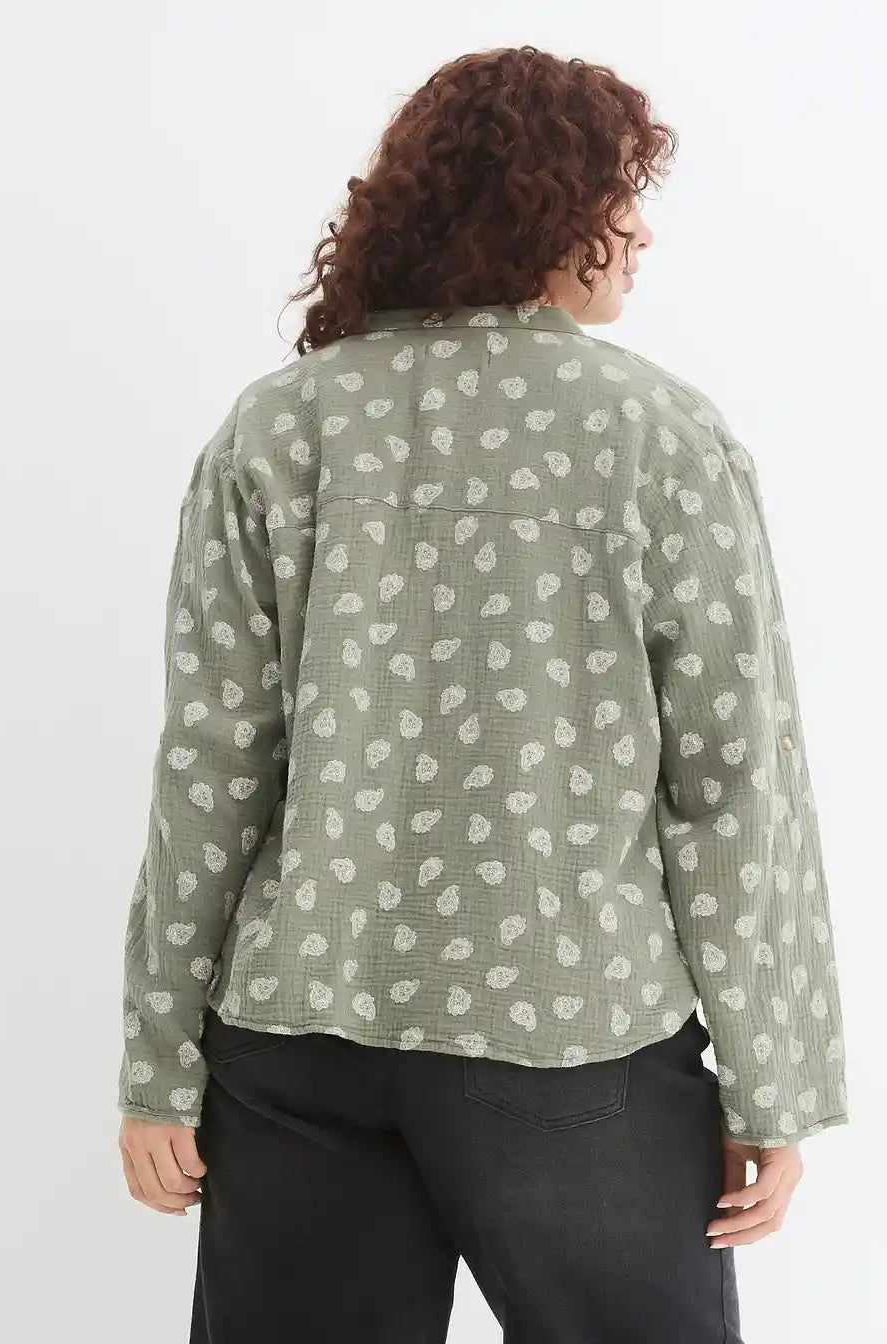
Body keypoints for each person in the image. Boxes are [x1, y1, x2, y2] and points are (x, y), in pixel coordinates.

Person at [116, 44, 849, 1344]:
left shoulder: (281, 428)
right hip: (571, 1040)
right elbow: (735, 787)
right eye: (616, 196)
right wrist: (774, 1081)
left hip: (299, 1043)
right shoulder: (657, 437)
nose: (641, 234)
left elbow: (211, 774)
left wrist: (158, 1060)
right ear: (538, 207)